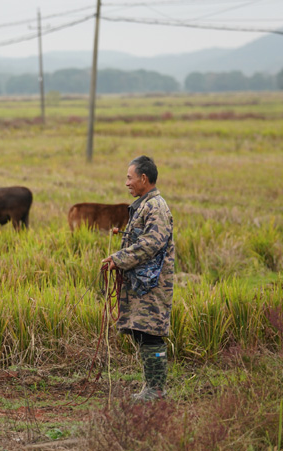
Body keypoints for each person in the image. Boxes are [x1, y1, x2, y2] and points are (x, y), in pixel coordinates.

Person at [102, 155, 175, 401]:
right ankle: (151, 388)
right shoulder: (145, 204)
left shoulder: (156, 207)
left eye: (129, 178)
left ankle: (155, 390)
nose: (127, 183)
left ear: (144, 178)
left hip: (152, 286)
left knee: (151, 334)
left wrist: (119, 258)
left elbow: (151, 243)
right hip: (142, 284)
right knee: (142, 333)